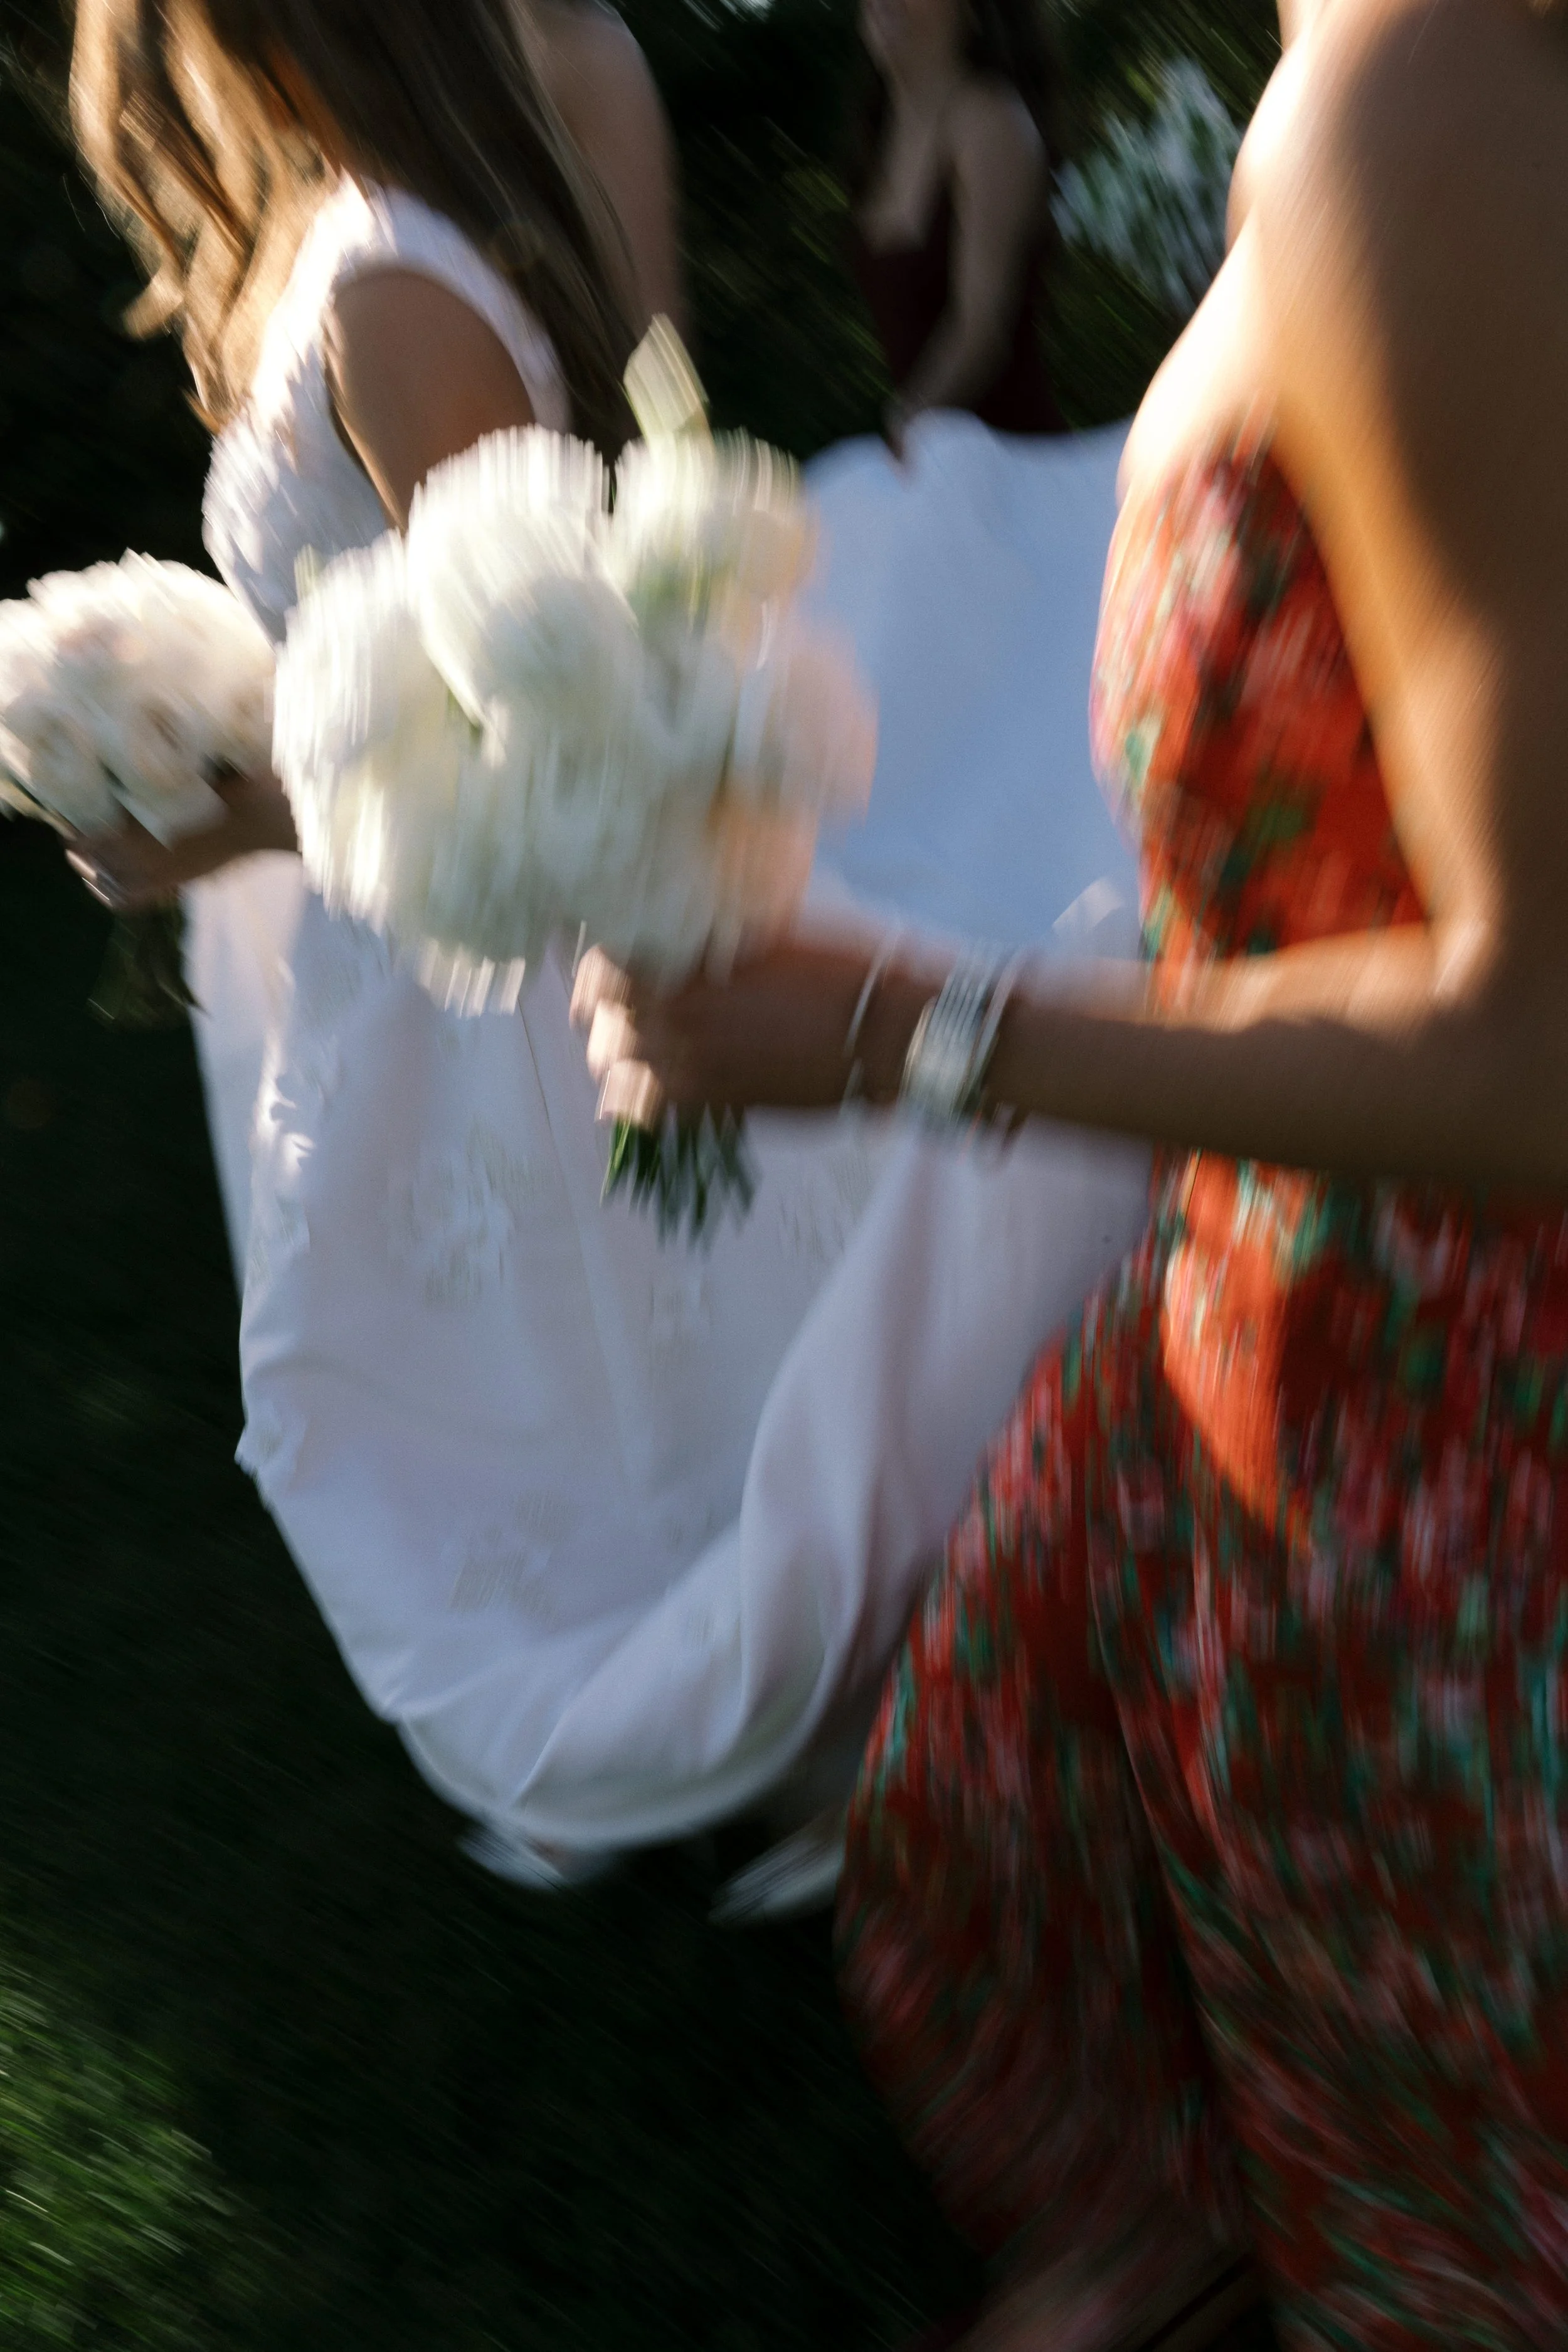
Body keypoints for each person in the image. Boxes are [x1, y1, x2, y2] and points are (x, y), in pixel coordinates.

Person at [578, 0, 1568, 2332]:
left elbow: (1535, 1050)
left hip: (1449, 1442)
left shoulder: (1423, 101)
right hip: (1255, 1338)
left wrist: (903, 1033)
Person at [63, 0, 1145, 1897]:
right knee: (601, 1350)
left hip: (492, 935)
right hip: (403, 949)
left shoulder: (393, 283)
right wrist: (195, 722)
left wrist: (228, 816)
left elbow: (524, 734)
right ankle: (817, 1649)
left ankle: (868, 1670)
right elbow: (365, 641)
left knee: (672, 1319)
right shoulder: (329, 245)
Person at [849, 0, 1066, 449]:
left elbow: (980, 330)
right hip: (937, 466)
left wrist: (903, 427)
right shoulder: (881, 136)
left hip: (1008, 470)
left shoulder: (991, 123)